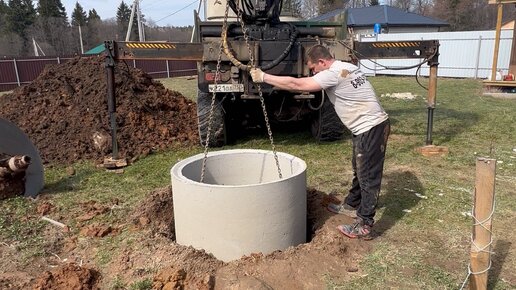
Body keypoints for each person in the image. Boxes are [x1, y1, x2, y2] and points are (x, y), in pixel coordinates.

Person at [250, 44, 390, 240]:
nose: (313, 73)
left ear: (322, 62)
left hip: (371, 127)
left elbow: (297, 85)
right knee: (359, 168)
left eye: (314, 68)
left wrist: (264, 77)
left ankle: (365, 224)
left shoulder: (332, 73)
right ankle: (352, 203)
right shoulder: (347, 66)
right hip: (367, 126)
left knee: (368, 176)